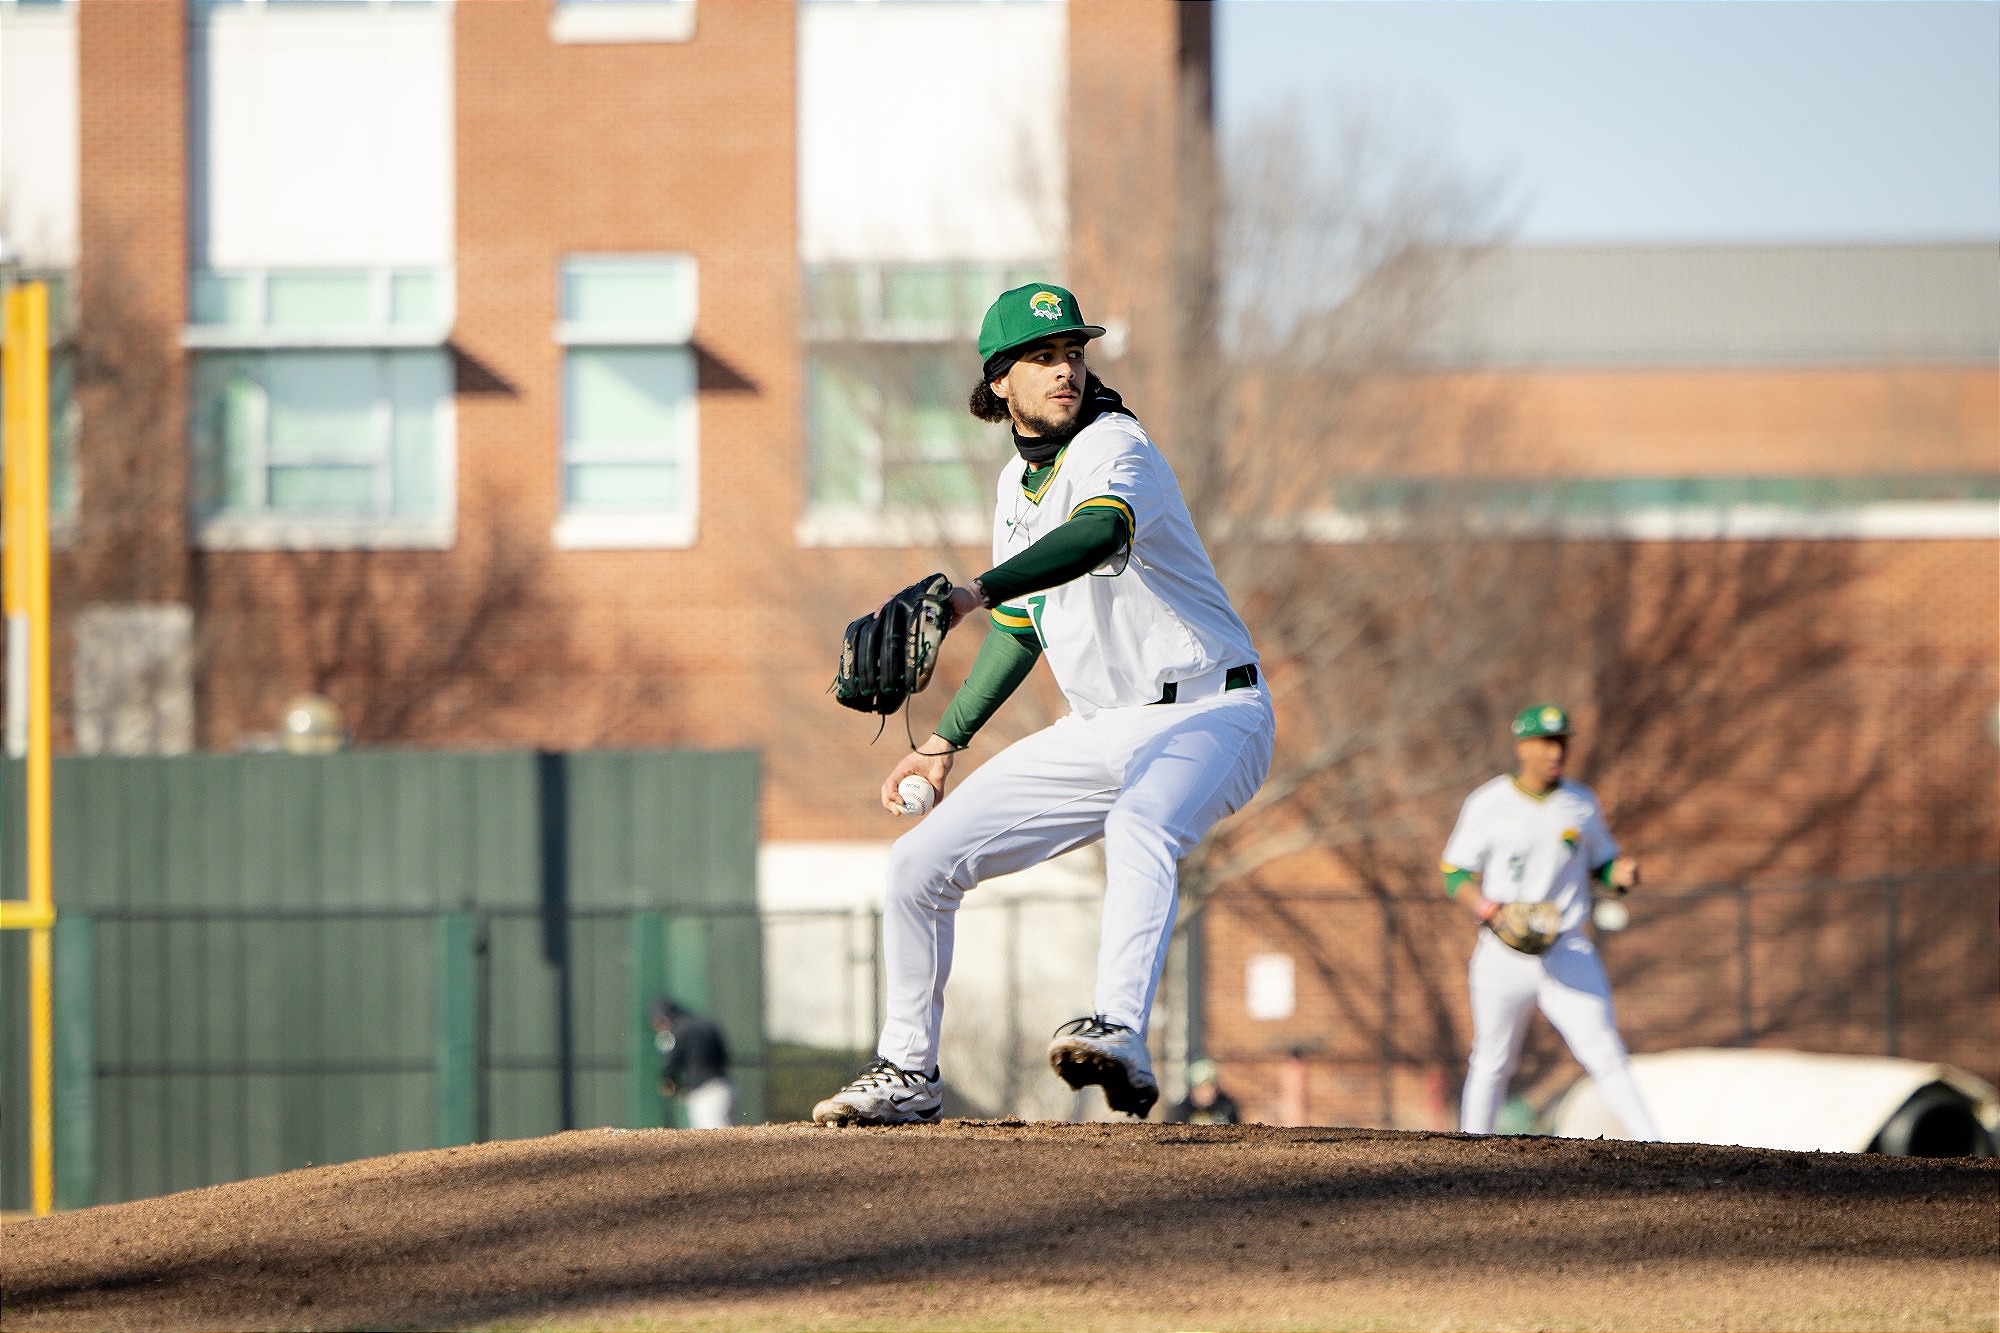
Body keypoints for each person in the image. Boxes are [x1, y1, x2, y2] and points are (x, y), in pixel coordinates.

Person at [812, 282, 1275, 1127]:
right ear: (998, 384)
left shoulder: (1115, 444)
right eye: (1041, 357)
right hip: (1100, 726)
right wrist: (945, 741)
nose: (1064, 370)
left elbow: (1098, 533)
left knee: (1143, 823)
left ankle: (1122, 1029)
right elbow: (1025, 627)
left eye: (1072, 353)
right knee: (918, 866)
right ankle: (908, 1071)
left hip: (1211, 711)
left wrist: (973, 591)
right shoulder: (1010, 490)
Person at [1440, 703, 1659, 1140]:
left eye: (1560, 741)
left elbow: (1603, 865)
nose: (1554, 751)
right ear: (1522, 746)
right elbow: (1454, 871)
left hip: (1565, 946)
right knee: (1492, 1059)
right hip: (1506, 948)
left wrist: (1620, 876)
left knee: (1605, 1052)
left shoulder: (1580, 802)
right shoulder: (1490, 801)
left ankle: (1656, 1145)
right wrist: (1489, 910)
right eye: (1544, 741)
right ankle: (1466, 1151)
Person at [650, 998, 735, 1130]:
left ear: (664, 1017)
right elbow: (725, 1057)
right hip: (726, 1087)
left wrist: (672, 1083)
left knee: (711, 1139)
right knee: (730, 1136)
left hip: (704, 1094)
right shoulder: (707, 1023)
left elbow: (671, 1065)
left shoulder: (679, 1030)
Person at [1165, 1058, 1241, 1126]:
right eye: (1200, 1088)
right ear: (1192, 1089)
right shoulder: (1183, 1111)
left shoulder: (1226, 1107)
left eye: (1208, 1087)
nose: (1205, 1093)